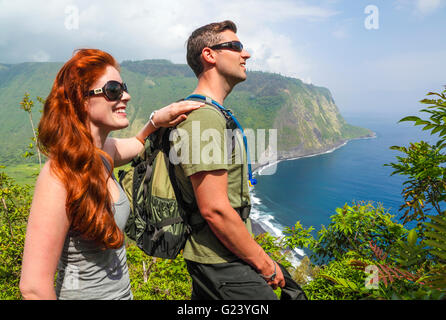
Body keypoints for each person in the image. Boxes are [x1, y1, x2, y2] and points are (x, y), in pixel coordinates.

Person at [19, 48, 203, 300]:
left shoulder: (104, 152)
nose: (126, 96)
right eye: (113, 90)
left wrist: (156, 120)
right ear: (81, 99)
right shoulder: (58, 176)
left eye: (123, 88)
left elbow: (139, 143)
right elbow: (33, 288)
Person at [171, 20, 285, 300]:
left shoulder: (214, 113)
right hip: (219, 260)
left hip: (221, 255)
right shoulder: (206, 118)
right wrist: (265, 264)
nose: (245, 54)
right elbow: (215, 210)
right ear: (209, 55)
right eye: (235, 47)